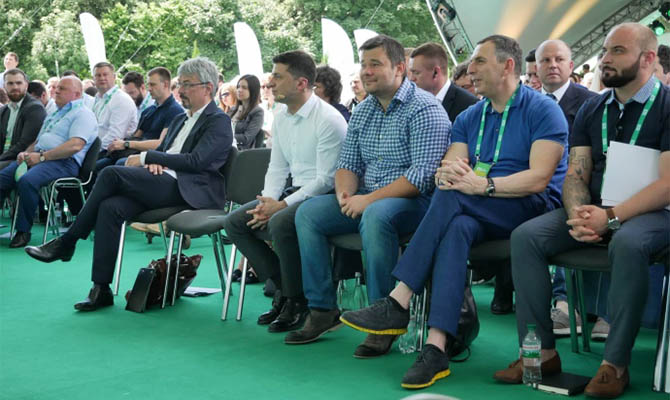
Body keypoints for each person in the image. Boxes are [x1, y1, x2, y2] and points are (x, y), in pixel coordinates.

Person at [340, 34, 568, 390]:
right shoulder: (469, 116)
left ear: (507, 66)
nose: (469, 69)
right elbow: (449, 168)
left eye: (479, 61)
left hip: (529, 207)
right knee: (456, 226)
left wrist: (483, 185)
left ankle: (399, 299)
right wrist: (447, 174)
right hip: (475, 206)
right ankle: (436, 346)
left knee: (452, 200)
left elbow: (539, 178)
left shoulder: (542, 109)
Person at [493, 23, 669, 399]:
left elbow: (668, 184)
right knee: (526, 237)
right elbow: (576, 174)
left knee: (628, 243)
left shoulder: (667, 106)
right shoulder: (594, 107)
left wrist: (612, 217)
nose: (604, 58)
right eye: (604, 50)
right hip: (596, 210)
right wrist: (578, 215)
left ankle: (614, 364)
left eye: (617, 51)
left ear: (648, 58)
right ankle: (539, 353)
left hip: (655, 212)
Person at [25, 57, 234, 312]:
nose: (181, 90)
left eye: (187, 85)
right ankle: (101, 289)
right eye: (181, 84)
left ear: (208, 88)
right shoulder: (181, 119)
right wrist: (154, 163)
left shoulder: (218, 120)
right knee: (110, 208)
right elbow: (166, 153)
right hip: (163, 182)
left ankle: (67, 241)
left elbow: (196, 161)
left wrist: (148, 158)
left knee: (111, 174)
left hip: (191, 190)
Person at [285, 35, 451, 357]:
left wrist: (367, 201)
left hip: (416, 204)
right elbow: (348, 164)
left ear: (399, 68)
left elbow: (421, 177)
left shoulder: (425, 108)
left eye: (375, 64)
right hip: (367, 198)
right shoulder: (363, 110)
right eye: (364, 64)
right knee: (309, 213)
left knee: (376, 215)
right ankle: (322, 309)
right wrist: (345, 195)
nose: (366, 71)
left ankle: (383, 317)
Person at [223, 50, 347, 333]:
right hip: (294, 191)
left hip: (324, 196)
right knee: (235, 223)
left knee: (280, 221)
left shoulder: (328, 119)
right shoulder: (280, 115)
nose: (270, 83)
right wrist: (267, 201)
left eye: (278, 77)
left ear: (301, 83)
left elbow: (326, 179)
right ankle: (287, 291)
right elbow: (277, 167)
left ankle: (295, 300)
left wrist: (280, 205)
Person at [535, 39, 599, 336]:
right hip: (534, 188)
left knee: (570, 214)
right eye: (545, 60)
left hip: (574, 189)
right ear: (536, 68)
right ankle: (536, 302)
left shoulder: (590, 103)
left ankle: (565, 303)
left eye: (559, 59)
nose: (552, 65)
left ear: (571, 66)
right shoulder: (528, 103)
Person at [0, 76, 97, 248]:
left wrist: (42, 157)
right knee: (2, 178)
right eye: (57, 87)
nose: (56, 91)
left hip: (64, 162)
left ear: (76, 94)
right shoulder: (55, 113)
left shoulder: (83, 114)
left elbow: (75, 145)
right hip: (40, 158)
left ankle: (23, 231)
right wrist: (27, 152)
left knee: (27, 180)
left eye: (62, 88)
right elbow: (39, 141)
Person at [104, 67, 184, 166]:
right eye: (148, 84)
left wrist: (126, 144)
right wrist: (121, 143)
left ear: (166, 84)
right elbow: (136, 136)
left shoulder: (175, 111)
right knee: (100, 163)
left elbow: (161, 144)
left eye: (153, 84)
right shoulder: (148, 111)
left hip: (152, 159)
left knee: (117, 165)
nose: (149, 88)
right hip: (133, 152)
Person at [408, 42, 478, 122]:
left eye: (416, 73)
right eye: (411, 72)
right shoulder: (414, 103)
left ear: (436, 72)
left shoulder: (470, 106)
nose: (411, 79)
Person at [0, 69, 47, 172]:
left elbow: (25, 144)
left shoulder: (35, 108)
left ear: (26, 85)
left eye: (19, 83)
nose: (15, 87)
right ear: (4, 86)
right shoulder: (4, 110)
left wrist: (1, 158)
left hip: (21, 160)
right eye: (10, 83)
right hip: (5, 158)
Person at [92, 62, 138, 159]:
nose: (102, 78)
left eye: (105, 74)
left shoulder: (121, 100)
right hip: (96, 148)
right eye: (98, 75)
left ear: (114, 77)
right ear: (93, 79)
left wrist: (90, 152)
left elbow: (115, 136)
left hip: (110, 152)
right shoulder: (97, 99)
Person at [231, 74, 264, 149]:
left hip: (240, 151)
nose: (239, 90)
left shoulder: (257, 112)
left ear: (253, 90)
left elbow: (246, 138)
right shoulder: (233, 110)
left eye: (244, 87)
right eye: (238, 87)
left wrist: (226, 137)